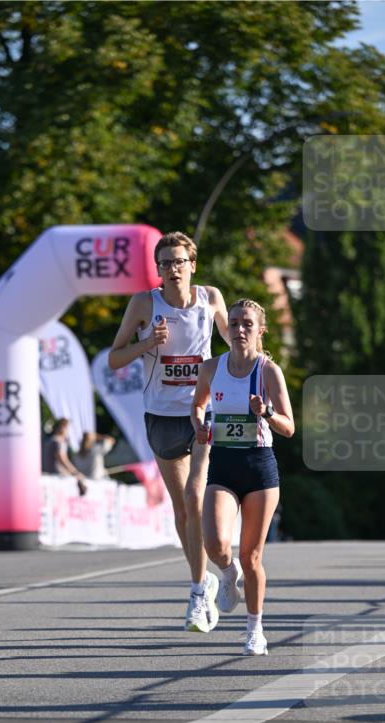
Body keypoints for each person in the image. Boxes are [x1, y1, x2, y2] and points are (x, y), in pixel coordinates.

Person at [108, 231, 229, 632]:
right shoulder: (144, 303)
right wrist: (147, 344)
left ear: (193, 264)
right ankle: (206, 576)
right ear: (157, 269)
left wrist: (255, 353)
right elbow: (114, 358)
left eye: (179, 261)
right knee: (182, 510)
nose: (172, 269)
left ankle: (197, 593)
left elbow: (231, 339)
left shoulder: (210, 298)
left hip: (201, 413)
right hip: (160, 415)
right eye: (165, 263)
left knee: (195, 497)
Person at [192, 299, 294, 655]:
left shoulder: (268, 372)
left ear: (259, 330)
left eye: (247, 324)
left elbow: (289, 427)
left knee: (252, 557)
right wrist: (200, 425)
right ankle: (227, 570)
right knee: (215, 543)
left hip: (259, 468)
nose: (239, 330)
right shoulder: (211, 368)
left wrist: (265, 412)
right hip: (223, 463)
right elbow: (198, 405)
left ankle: (255, 629)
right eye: (233, 323)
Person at [43, 417, 87, 494]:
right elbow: (62, 459)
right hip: (57, 478)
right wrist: (75, 472)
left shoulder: (50, 440)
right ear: (63, 428)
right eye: (68, 428)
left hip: (50, 477)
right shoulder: (58, 441)